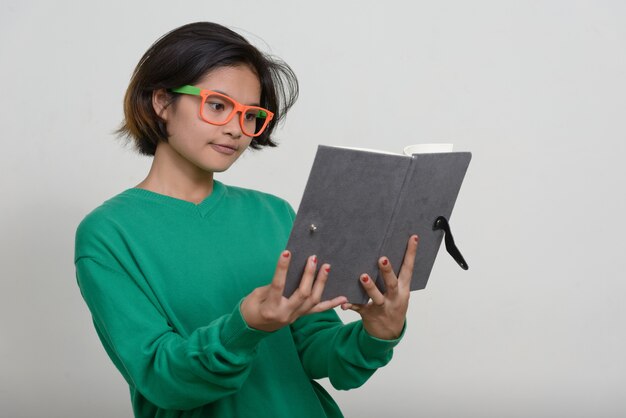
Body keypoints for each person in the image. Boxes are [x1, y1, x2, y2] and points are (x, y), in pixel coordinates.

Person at [74, 21, 419, 418]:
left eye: (250, 114)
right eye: (217, 106)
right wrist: (246, 325)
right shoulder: (108, 235)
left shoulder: (274, 213)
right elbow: (162, 380)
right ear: (162, 102)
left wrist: (377, 332)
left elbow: (313, 351)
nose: (237, 129)